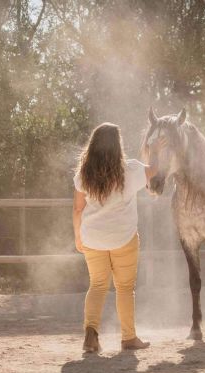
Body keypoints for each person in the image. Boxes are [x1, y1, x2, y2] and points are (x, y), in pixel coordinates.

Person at [72, 122, 160, 352]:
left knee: (98, 285)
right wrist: (155, 150)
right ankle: (129, 338)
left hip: (92, 238)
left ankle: (90, 335)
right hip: (124, 238)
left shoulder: (84, 174)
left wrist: (77, 237)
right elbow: (154, 170)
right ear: (117, 146)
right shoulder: (129, 170)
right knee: (124, 288)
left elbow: (77, 209)